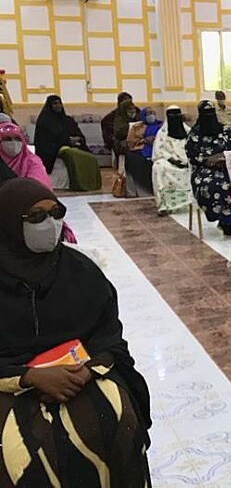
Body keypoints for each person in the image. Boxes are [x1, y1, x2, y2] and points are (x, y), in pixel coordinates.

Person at [0, 179, 152, 486]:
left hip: (81, 371)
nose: (51, 224)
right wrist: (30, 376)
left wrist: (86, 372)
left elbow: (108, 335)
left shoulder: (81, 271)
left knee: (117, 420)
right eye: (37, 217)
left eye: (56, 213)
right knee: (22, 450)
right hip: (9, 380)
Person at [0, 122, 77, 242]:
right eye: (7, 139)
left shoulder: (32, 162)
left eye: (17, 139)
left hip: (34, 216)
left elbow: (38, 191)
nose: (13, 143)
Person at [187, 100, 231, 236]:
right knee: (213, 186)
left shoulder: (225, 131)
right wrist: (208, 161)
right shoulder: (194, 135)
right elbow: (192, 156)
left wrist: (224, 157)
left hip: (227, 166)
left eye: (210, 113)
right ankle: (225, 220)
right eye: (205, 114)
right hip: (204, 170)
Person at [33, 95, 102, 191]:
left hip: (72, 146)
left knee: (91, 158)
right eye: (55, 103)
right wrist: (67, 141)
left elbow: (79, 135)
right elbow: (46, 141)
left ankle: (91, 184)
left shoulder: (67, 120)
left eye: (59, 103)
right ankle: (79, 184)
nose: (58, 105)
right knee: (74, 157)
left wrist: (78, 139)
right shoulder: (44, 122)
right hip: (54, 150)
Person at [152, 106, 192, 216]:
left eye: (177, 115)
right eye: (172, 115)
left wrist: (186, 160)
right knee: (158, 166)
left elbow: (193, 148)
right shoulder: (162, 133)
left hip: (187, 160)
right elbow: (159, 151)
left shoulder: (188, 131)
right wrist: (172, 160)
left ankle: (191, 201)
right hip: (169, 161)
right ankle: (165, 204)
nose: (174, 118)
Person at [122, 107, 160, 198]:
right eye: (149, 114)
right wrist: (144, 140)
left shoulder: (161, 126)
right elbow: (130, 141)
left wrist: (155, 139)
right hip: (141, 148)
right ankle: (137, 190)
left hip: (158, 148)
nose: (151, 116)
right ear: (143, 115)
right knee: (132, 158)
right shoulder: (137, 127)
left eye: (153, 113)